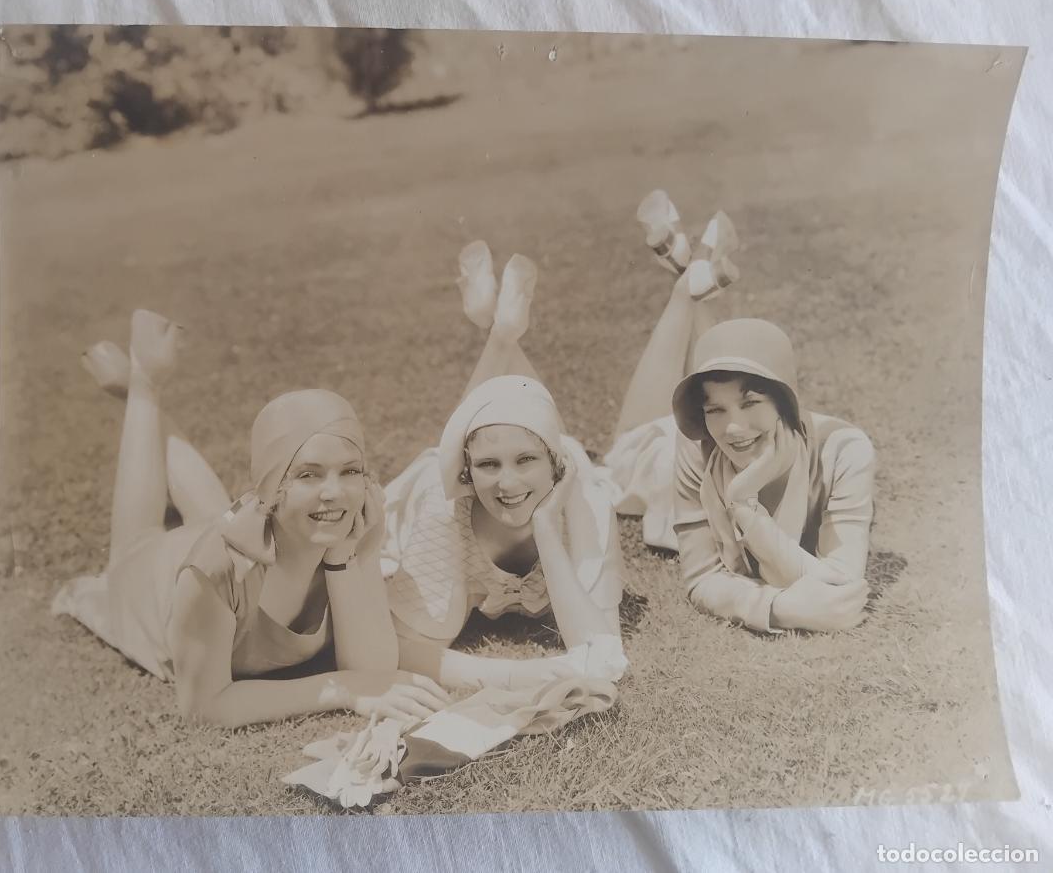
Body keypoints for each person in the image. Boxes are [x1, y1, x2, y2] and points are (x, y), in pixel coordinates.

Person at [52, 309, 450, 727]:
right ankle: (143, 384)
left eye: (350, 470)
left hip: (246, 530)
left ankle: (138, 392)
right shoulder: (216, 569)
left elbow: (372, 669)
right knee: (134, 546)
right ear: (272, 486)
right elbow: (204, 706)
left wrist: (347, 556)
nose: (335, 492)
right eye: (308, 474)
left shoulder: (351, 526)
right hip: (161, 578)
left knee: (214, 515)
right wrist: (340, 690)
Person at [604, 190, 874, 632]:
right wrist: (777, 608)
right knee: (624, 453)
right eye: (714, 410)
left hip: (700, 452)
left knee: (716, 380)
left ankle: (690, 278)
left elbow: (842, 582)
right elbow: (702, 577)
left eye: (752, 402)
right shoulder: (696, 444)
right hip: (656, 461)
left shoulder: (844, 451)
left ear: (786, 401)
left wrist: (745, 502)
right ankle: (689, 287)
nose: (731, 427)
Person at [382, 244, 626, 690]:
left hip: (552, 476)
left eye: (527, 461)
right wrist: (515, 674)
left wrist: (548, 528)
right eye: (488, 466)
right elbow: (406, 647)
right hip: (434, 487)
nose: (507, 482)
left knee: (518, 419)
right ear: (469, 473)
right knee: (474, 433)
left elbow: (604, 652)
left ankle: (499, 331)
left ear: (557, 467)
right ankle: (500, 332)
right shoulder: (444, 510)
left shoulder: (586, 503)